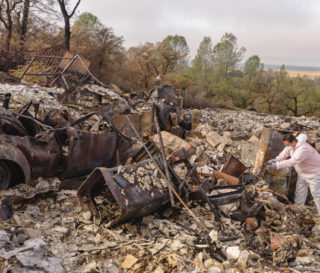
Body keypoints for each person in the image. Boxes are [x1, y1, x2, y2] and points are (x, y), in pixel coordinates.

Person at [268, 134, 320, 214]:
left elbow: (292, 161)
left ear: (293, 142)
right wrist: (277, 159)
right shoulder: (291, 146)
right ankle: (298, 210)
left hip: (314, 174)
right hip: (302, 173)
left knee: (316, 194)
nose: (286, 146)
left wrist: (277, 165)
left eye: (287, 144)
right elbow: (285, 152)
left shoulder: (303, 149)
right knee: (300, 191)